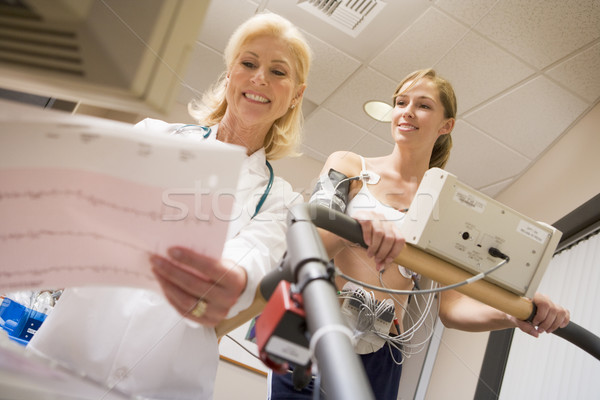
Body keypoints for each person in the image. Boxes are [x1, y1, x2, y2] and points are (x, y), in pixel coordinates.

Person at [27, 12, 312, 400]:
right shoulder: (153, 136)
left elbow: (251, 262)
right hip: (69, 356)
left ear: (296, 94)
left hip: (164, 381)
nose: (259, 78)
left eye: (278, 72)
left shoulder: (280, 200)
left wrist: (230, 279)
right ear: (229, 73)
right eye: (248, 63)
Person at [268, 69, 570, 400]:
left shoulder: (444, 205)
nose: (407, 111)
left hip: (380, 351)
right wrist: (356, 230)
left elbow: (452, 308)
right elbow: (309, 245)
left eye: (423, 105)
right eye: (400, 102)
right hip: (314, 328)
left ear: (446, 125)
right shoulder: (349, 165)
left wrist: (512, 313)